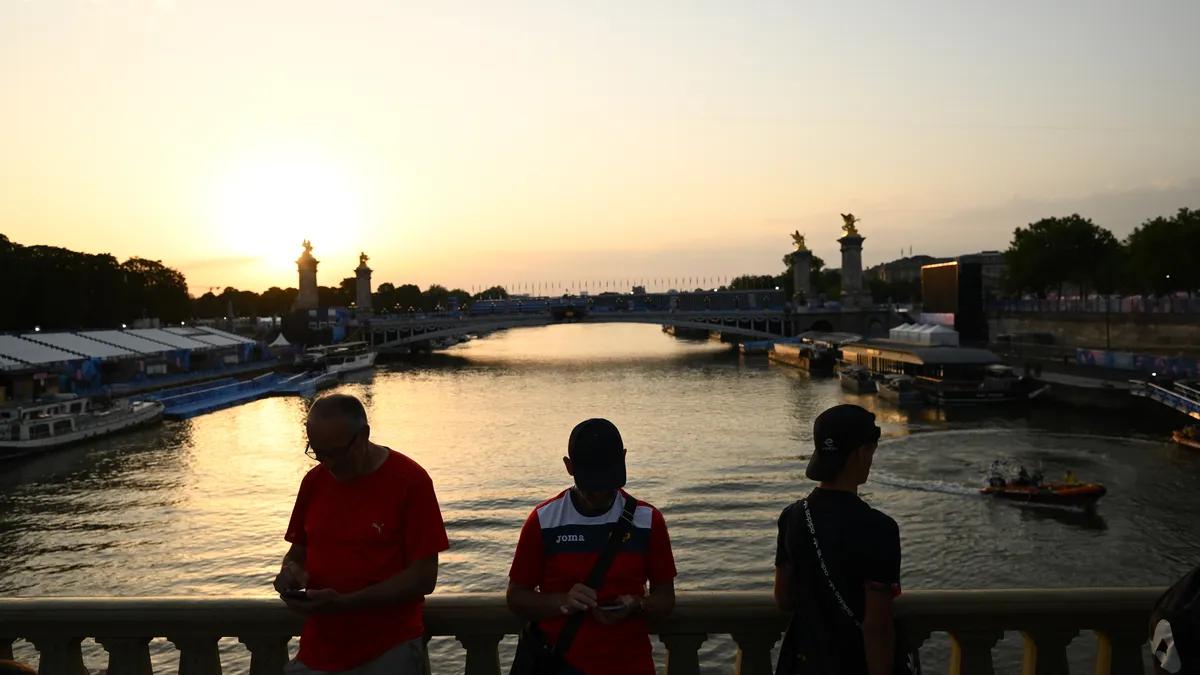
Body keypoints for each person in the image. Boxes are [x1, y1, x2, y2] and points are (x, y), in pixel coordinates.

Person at [274, 394, 450, 675]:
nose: (328, 464)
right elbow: (298, 553)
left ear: (364, 434)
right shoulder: (313, 482)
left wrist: (345, 604)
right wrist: (289, 574)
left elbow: (424, 577)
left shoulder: (410, 482)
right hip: (317, 651)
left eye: (336, 453)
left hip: (387, 650)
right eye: (318, 453)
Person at [506, 418, 677, 675]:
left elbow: (665, 598)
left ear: (624, 458)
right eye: (591, 483)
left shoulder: (648, 520)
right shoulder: (543, 521)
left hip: (632, 666)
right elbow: (516, 596)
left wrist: (637, 605)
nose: (599, 493)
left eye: (608, 482)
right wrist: (562, 601)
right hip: (561, 664)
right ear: (569, 466)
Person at [774, 404, 902, 675]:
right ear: (860, 453)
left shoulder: (792, 517)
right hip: (852, 665)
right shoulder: (880, 528)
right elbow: (876, 626)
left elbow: (784, 598)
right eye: (871, 451)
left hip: (803, 664)